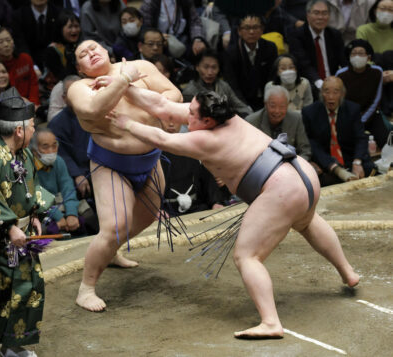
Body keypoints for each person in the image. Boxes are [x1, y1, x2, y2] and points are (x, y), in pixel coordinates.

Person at [106, 85, 359, 339]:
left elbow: (162, 139)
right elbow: (163, 107)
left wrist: (127, 123)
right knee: (306, 222)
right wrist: (126, 87)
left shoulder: (205, 139)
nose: (186, 115)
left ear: (207, 120)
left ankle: (271, 322)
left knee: (246, 255)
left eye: (192, 114)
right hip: (301, 174)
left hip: (281, 188)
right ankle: (348, 273)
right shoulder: (226, 116)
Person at [67, 40, 182, 312]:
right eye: (83, 54)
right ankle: (87, 288)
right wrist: (126, 81)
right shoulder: (79, 88)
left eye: (94, 48)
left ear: (108, 52)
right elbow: (92, 110)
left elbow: (173, 93)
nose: (91, 53)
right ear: (80, 69)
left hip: (150, 160)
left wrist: (148, 101)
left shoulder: (140, 66)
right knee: (115, 226)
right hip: (111, 164)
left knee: (147, 215)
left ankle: (110, 252)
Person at [0, 87, 54, 357]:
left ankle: (11, 344)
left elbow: (30, 188)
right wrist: (10, 226)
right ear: (19, 131)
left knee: (26, 288)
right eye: (33, 126)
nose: (35, 131)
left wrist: (34, 214)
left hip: (21, 239)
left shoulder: (24, 154)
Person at [302, 76, 375, 186]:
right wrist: (331, 165)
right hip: (326, 162)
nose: (331, 97)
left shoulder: (352, 109)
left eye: (336, 92)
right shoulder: (310, 112)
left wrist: (357, 161)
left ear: (342, 94)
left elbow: (360, 138)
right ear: (321, 93)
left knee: (371, 169)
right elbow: (312, 144)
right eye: (327, 92)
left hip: (350, 158)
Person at [30, 128, 89, 236]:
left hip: (59, 201)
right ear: (34, 150)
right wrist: (59, 217)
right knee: (42, 229)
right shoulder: (28, 166)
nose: (51, 151)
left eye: (54, 145)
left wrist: (72, 214)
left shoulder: (59, 161)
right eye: (45, 146)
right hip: (39, 208)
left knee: (89, 216)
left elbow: (68, 188)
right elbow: (38, 197)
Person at [336, 39, 389, 149]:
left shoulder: (377, 72)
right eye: (354, 53)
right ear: (349, 57)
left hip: (371, 114)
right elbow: (340, 100)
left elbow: (376, 99)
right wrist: (354, 119)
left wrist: (363, 119)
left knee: (385, 140)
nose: (357, 56)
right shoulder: (341, 75)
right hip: (348, 116)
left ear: (368, 57)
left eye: (361, 53)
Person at [288, 0, 347, 93]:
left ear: (329, 16)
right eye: (316, 13)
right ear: (308, 16)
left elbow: (343, 61)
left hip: (333, 84)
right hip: (309, 85)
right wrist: (320, 84)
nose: (320, 17)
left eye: (324, 13)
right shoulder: (297, 36)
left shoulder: (334, 35)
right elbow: (304, 65)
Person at [223, 14, 278, 111]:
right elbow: (232, 85)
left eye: (256, 27)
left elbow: (273, 78)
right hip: (242, 102)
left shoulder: (270, 48)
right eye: (247, 28)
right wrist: (244, 107)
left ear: (262, 29)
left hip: (266, 99)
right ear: (239, 31)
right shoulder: (231, 53)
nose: (251, 32)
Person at [246, 85, 311, 161]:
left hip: (290, 165)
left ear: (288, 105)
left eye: (282, 106)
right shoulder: (251, 121)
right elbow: (248, 152)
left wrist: (295, 165)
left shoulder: (296, 119)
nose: (277, 111)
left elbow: (305, 150)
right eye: (273, 106)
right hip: (262, 166)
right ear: (265, 104)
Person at [183, 49, 252, 117]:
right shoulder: (189, 91)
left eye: (214, 67)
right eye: (206, 67)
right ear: (197, 67)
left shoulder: (223, 85)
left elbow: (240, 106)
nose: (210, 72)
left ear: (219, 68)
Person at [0, 27, 40, 106]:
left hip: (30, 105)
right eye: (0, 42)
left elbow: (33, 83)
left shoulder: (25, 59)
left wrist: (33, 103)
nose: (6, 44)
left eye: (8, 40)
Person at [139, 0, 207, 59]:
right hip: (159, 40)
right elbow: (145, 26)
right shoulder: (150, 2)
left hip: (182, 39)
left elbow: (195, 21)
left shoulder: (186, 1)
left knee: (201, 51)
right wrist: (159, 36)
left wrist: (197, 39)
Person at [11, 0, 60, 72]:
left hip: (55, 62)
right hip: (29, 63)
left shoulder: (58, 13)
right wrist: (33, 66)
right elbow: (21, 44)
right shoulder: (18, 16)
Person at [44, 9, 81, 84]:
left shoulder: (80, 46)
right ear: (60, 29)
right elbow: (62, 77)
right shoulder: (52, 50)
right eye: (70, 27)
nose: (74, 30)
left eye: (76, 26)